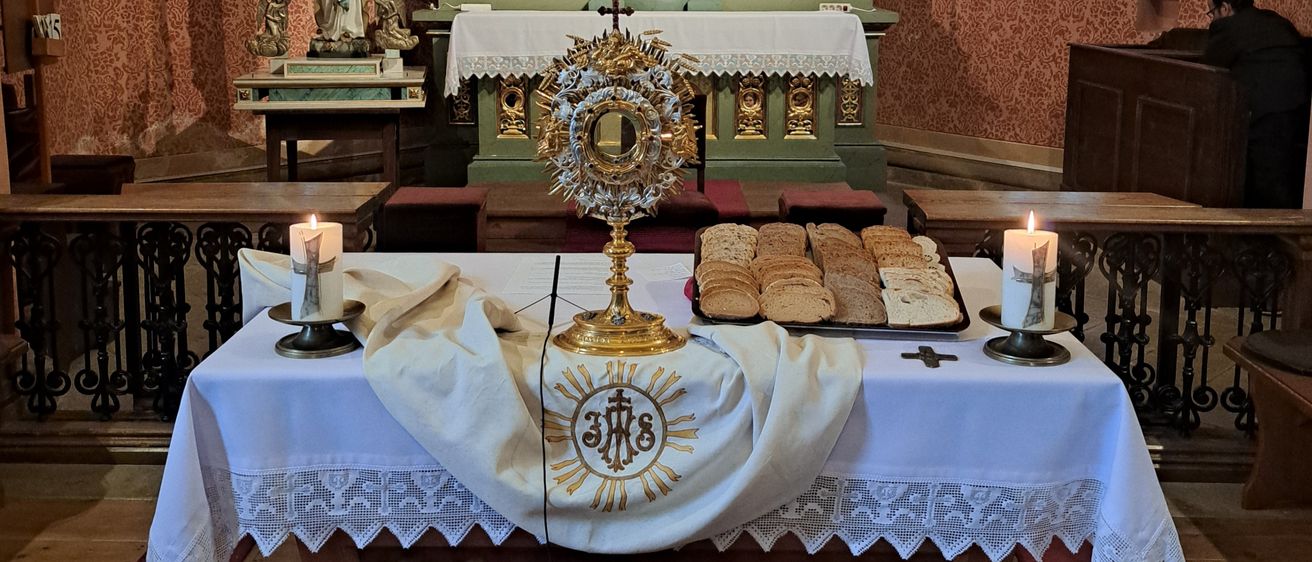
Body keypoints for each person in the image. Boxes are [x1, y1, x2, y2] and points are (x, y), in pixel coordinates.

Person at [1204, 0, 1310, 209]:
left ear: (1225, 8)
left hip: (1259, 114)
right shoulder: (1277, 22)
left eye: (1211, 12)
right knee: (1281, 182)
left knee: (1257, 186)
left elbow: (1208, 73)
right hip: (1298, 110)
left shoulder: (1228, 28)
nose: (1213, 18)